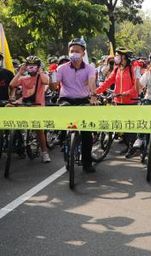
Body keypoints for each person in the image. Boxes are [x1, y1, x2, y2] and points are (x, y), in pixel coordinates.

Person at [49, 38, 98, 173]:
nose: (74, 53)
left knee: (87, 133)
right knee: (64, 114)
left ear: (83, 53)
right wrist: (52, 78)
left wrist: (93, 95)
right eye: (71, 51)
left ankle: (87, 162)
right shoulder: (61, 68)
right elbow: (54, 87)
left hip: (83, 100)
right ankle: (63, 137)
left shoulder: (90, 68)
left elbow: (92, 82)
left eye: (77, 51)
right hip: (66, 99)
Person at [96, 47, 140, 155]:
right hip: (118, 101)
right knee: (121, 127)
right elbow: (108, 81)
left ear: (123, 56)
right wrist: (96, 91)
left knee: (130, 127)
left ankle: (133, 148)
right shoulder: (117, 68)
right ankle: (128, 145)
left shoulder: (133, 68)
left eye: (117, 55)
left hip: (130, 101)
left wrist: (127, 92)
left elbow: (137, 85)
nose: (115, 58)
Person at [9, 56, 51, 163]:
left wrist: (41, 71)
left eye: (34, 67)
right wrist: (20, 72)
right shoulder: (24, 78)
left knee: (39, 130)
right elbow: (12, 85)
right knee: (9, 108)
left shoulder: (41, 77)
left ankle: (44, 152)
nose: (31, 69)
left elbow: (46, 82)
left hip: (38, 107)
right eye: (29, 67)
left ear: (38, 67)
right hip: (25, 106)